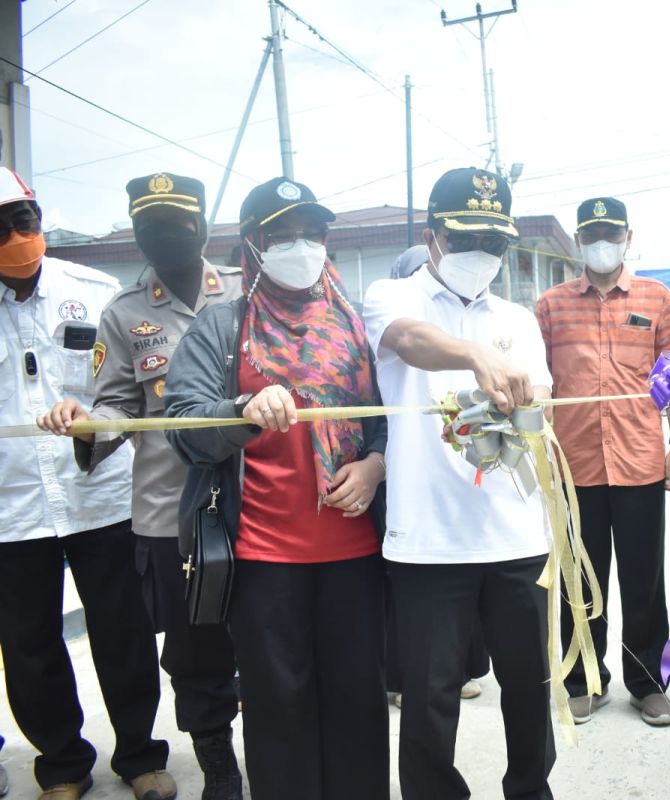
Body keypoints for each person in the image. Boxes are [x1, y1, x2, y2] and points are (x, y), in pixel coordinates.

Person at [164, 177, 389, 800]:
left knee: (359, 707)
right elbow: (181, 427)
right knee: (276, 709)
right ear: (253, 248)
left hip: (354, 554)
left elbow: (390, 422)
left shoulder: (354, 326)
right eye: (283, 235)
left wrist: (374, 467)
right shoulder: (222, 325)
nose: (302, 246)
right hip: (264, 558)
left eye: (312, 234)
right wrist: (241, 407)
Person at [37, 172, 244, 798]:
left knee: (268, 640)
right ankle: (219, 771)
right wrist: (83, 423)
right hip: (172, 515)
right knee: (196, 656)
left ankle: (277, 751)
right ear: (136, 232)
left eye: (178, 224)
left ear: (204, 226)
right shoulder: (124, 314)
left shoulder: (244, 292)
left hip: (258, 503)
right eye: (151, 226)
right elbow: (117, 411)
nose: (165, 237)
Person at [363, 167, 555, 799]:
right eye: (467, 238)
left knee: (529, 687)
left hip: (515, 535)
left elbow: (538, 412)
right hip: (428, 540)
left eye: (496, 243)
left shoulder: (518, 319)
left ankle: (530, 790)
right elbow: (411, 343)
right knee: (429, 696)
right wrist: (476, 356)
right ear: (432, 234)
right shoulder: (393, 298)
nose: (482, 255)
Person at [0, 167, 175, 800]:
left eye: (24, 218)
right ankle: (62, 764)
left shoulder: (95, 292)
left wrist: (92, 419)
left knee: (122, 632)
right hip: (11, 507)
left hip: (100, 493)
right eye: (1, 225)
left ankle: (140, 755)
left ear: (39, 216)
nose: (17, 234)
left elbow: (130, 391)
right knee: (28, 645)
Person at [535, 196, 670, 726]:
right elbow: (537, 382)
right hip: (573, 468)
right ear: (578, 240)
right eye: (592, 233)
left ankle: (647, 684)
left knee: (644, 580)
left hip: (639, 461)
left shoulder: (656, 298)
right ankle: (584, 680)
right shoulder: (550, 306)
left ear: (627, 237)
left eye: (611, 233)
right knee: (581, 578)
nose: (602, 242)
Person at [383, 239, 490, 709]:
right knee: (421, 640)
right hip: (413, 502)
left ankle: (466, 666)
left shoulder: (508, 318)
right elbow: (408, 343)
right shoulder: (391, 303)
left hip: (483, 500)